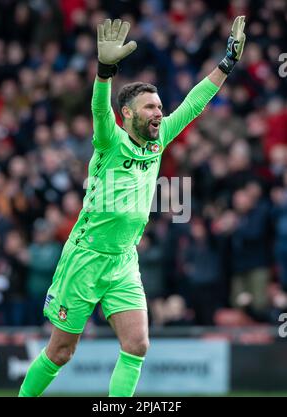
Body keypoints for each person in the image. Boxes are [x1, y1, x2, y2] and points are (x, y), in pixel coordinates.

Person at [19, 17, 246, 397]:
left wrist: (226, 63)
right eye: (149, 108)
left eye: (159, 107)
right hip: (86, 257)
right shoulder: (110, 142)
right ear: (128, 115)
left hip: (123, 260)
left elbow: (193, 103)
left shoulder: (157, 143)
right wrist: (104, 73)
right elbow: (99, 111)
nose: (159, 113)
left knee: (137, 345)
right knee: (61, 352)